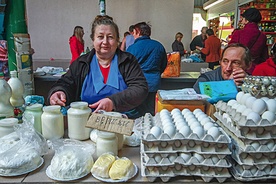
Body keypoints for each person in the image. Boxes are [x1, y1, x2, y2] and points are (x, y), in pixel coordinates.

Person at [48, 15, 148, 119]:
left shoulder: (128, 61)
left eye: (110, 37)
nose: (105, 42)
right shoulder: (81, 63)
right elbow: (65, 83)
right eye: (100, 37)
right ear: (93, 39)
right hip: (86, 120)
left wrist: (113, 102)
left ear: (117, 40)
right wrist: (59, 91)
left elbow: (140, 88)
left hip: (123, 120)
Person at [127, 22, 167, 116]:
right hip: (154, 83)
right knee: (152, 112)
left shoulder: (132, 48)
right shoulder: (158, 46)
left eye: (133, 33)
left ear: (138, 32)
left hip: (137, 85)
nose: (133, 36)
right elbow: (164, 64)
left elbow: (127, 68)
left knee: (136, 112)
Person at [228, 8, 268, 74]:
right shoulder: (262, 36)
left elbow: (230, 52)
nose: (241, 20)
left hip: (237, 69)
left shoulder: (238, 33)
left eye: (243, 18)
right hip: (254, 70)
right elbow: (264, 57)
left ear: (246, 20)